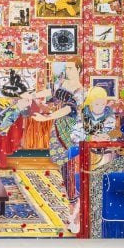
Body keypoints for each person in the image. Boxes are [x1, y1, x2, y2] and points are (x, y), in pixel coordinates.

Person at [32, 58, 86, 233]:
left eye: (71, 68)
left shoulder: (80, 91)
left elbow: (69, 110)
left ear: (79, 70)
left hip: (71, 134)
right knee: (65, 173)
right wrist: (33, 95)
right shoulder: (62, 84)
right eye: (66, 68)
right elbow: (51, 92)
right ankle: (73, 212)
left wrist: (47, 117)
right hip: (58, 133)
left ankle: (75, 216)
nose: (68, 70)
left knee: (71, 172)